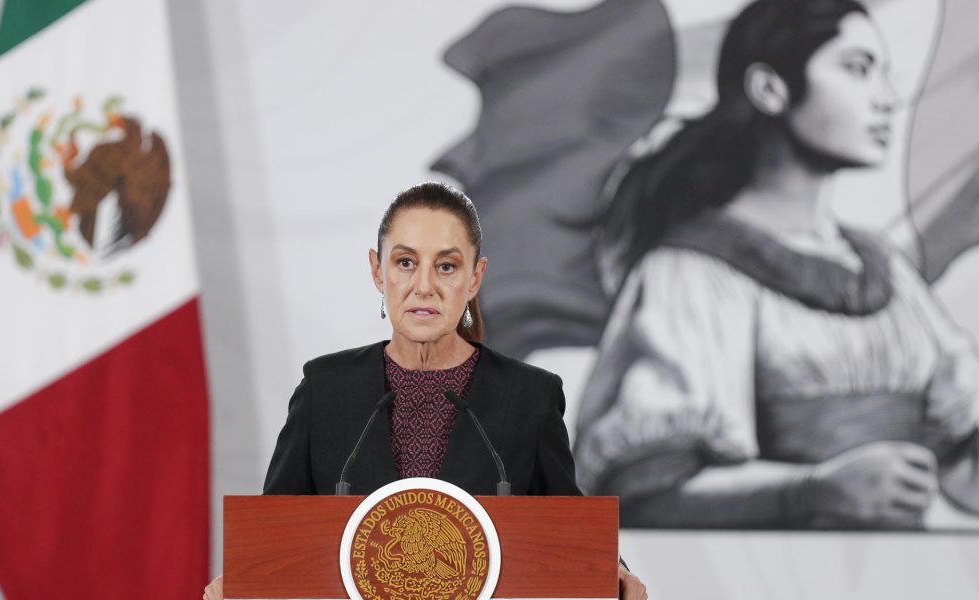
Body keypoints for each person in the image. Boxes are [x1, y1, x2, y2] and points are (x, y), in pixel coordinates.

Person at [573, 0, 979, 529]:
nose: (887, 99)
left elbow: (960, 462)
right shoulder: (691, 273)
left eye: (885, 74)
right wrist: (811, 492)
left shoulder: (887, 272)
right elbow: (644, 495)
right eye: (857, 69)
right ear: (770, 89)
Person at [205, 182, 647, 598]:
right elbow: (275, 532)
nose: (424, 287)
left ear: (475, 278)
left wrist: (617, 574)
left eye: (447, 266)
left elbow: (571, 532)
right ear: (378, 271)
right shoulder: (326, 390)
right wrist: (242, 579)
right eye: (405, 262)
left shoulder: (528, 396)